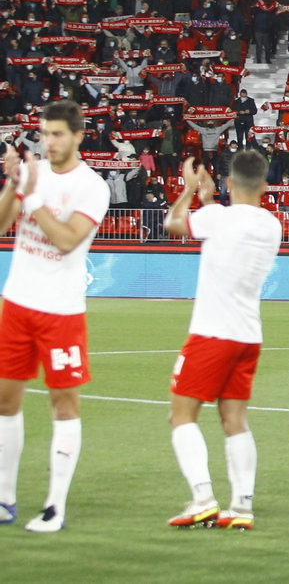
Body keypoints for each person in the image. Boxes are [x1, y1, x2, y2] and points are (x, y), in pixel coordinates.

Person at [0, 100, 110, 532]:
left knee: (63, 403)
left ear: (79, 135)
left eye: (58, 134)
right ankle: (5, 497)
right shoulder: (33, 173)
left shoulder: (92, 187)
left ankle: (54, 507)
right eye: (44, 134)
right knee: (5, 400)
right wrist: (13, 185)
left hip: (61, 310)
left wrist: (34, 198)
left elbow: (66, 240)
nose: (49, 142)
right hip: (17, 302)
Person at [162, 151, 281, 530]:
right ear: (264, 186)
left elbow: (173, 224)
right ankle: (241, 507)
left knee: (181, 416)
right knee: (235, 420)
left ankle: (202, 499)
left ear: (229, 183)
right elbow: (223, 228)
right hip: (248, 335)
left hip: (212, 332)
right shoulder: (271, 224)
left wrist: (190, 190)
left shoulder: (217, 218)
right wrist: (209, 202)